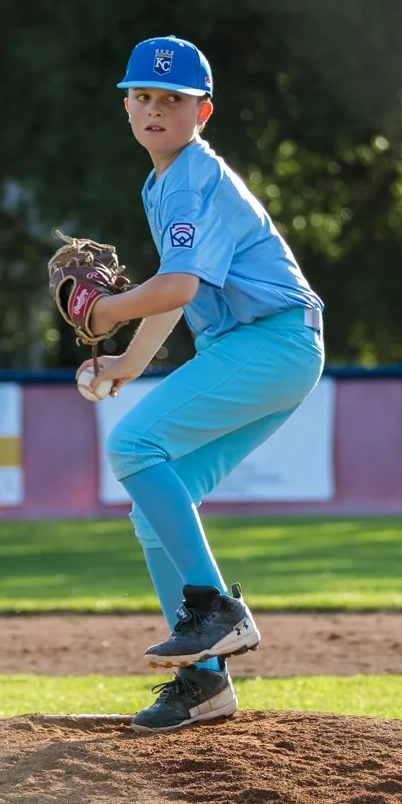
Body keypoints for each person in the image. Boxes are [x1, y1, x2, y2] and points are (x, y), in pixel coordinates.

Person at [76, 35, 326, 732]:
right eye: (143, 96)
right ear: (127, 106)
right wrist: (127, 360)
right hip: (270, 347)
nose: (155, 108)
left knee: (132, 447)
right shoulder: (167, 181)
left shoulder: (190, 176)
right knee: (153, 506)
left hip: (270, 341)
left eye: (173, 99)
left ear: (202, 112)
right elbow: (183, 297)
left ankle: (216, 611)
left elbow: (176, 284)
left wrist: (105, 311)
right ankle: (205, 681)